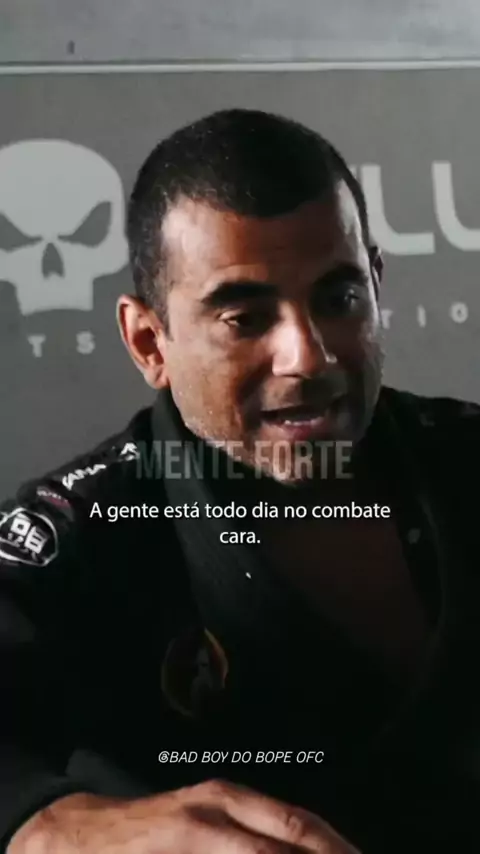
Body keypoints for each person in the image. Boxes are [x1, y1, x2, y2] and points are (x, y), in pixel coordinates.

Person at [1, 108, 479, 854]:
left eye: (338, 299)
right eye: (245, 319)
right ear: (149, 342)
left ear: (377, 285)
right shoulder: (82, 536)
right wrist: (47, 823)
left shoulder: (464, 458)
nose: (308, 357)